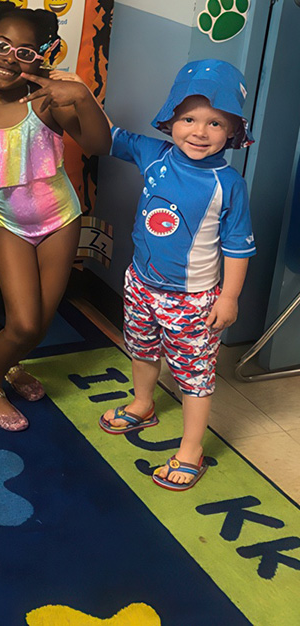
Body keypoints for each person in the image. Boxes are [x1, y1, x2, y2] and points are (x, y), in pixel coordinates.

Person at [97, 59, 255, 490]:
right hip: (141, 284)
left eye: (215, 123)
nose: (200, 132)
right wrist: (78, 95)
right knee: (142, 349)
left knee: (195, 375)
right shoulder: (153, 154)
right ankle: (143, 403)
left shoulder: (229, 185)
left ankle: (191, 449)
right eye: (189, 119)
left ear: (233, 131)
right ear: (171, 118)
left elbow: (238, 248)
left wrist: (229, 298)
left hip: (193, 301)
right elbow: (106, 134)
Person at [0, 2, 111, 431]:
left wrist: (83, 97)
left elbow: (99, 144)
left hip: (61, 221)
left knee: (42, 323)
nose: (9, 57)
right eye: (1, 44)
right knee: (24, 322)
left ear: (40, 57)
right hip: (8, 224)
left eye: (24, 52)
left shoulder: (45, 100)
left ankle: (13, 367)